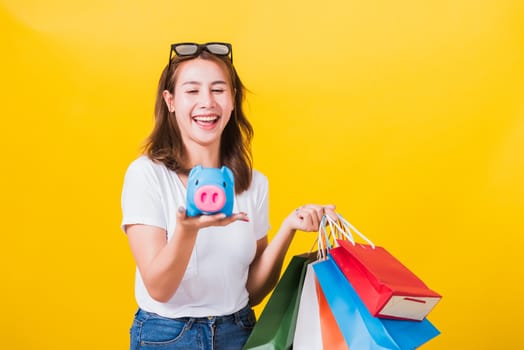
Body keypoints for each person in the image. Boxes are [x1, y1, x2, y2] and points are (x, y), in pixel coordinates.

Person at [121, 42, 336, 350]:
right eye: (192, 91)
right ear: (170, 101)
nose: (207, 103)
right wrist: (187, 229)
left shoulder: (253, 183)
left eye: (218, 90)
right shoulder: (147, 175)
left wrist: (288, 228)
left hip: (239, 331)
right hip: (166, 336)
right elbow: (160, 288)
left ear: (233, 99)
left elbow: (251, 291)